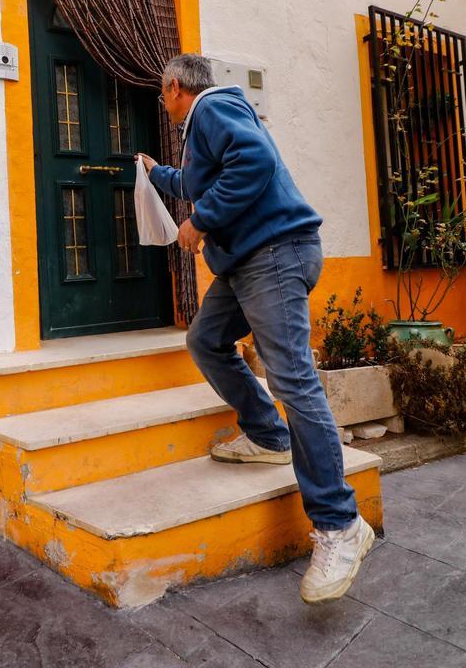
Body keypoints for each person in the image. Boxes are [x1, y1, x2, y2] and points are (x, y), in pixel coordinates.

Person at [137, 53, 373, 605]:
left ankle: (341, 524)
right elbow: (202, 179)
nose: (162, 101)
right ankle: (268, 435)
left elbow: (254, 163)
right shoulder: (203, 130)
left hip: (274, 255)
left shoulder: (215, 108)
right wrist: (156, 174)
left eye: (161, 93)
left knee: (293, 377)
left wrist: (199, 222)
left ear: (174, 87)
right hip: (249, 262)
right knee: (206, 340)